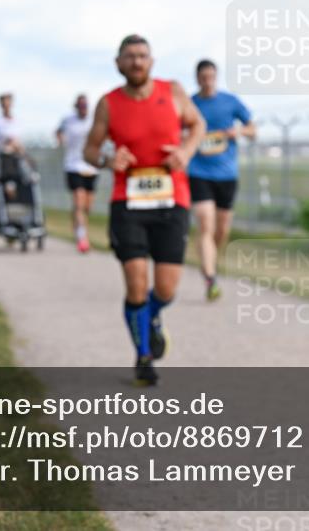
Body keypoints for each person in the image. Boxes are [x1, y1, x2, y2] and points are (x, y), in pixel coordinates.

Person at [84, 34, 206, 386]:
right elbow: (91, 150)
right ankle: (143, 357)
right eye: (130, 57)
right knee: (137, 286)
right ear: (118, 63)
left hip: (172, 199)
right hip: (129, 201)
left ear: (151, 61)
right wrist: (108, 159)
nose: (137, 62)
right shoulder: (108, 103)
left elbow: (198, 126)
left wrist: (185, 151)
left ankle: (152, 319)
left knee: (166, 289)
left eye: (142, 56)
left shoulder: (174, 92)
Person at [187, 59, 255, 300]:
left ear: (216, 77)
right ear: (197, 78)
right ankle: (210, 277)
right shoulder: (190, 104)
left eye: (211, 77)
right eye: (203, 77)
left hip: (226, 174)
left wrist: (238, 131)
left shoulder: (230, 102)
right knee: (206, 224)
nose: (207, 82)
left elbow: (252, 130)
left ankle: (211, 259)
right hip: (198, 172)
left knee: (222, 229)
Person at [56, 94, 99, 252]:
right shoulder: (68, 120)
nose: (83, 109)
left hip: (91, 167)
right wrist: (61, 140)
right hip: (73, 166)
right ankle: (82, 238)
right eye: (80, 106)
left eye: (85, 106)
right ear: (76, 107)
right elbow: (58, 132)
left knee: (87, 206)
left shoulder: (94, 120)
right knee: (79, 202)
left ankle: (78, 227)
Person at [0, 93, 21, 159]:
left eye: (8, 103)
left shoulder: (16, 122)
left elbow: (18, 143)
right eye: (4, 104)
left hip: (14, 159)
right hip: (0, 159)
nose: (6, 106)